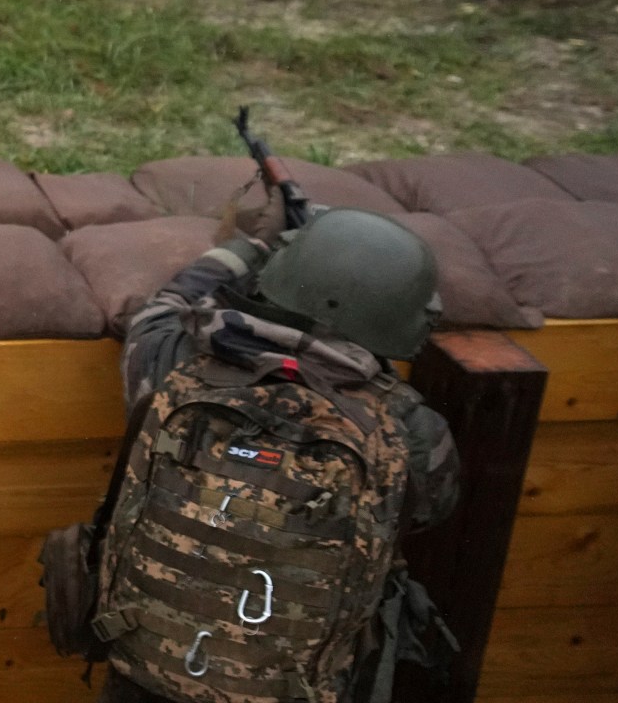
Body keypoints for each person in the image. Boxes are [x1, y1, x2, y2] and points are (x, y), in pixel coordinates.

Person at [92, 206, 460, 703]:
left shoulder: (175, 366)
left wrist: (249, 247)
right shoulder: (411, 429)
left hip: (145, 677)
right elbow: (430, 508)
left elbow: (163, 308)